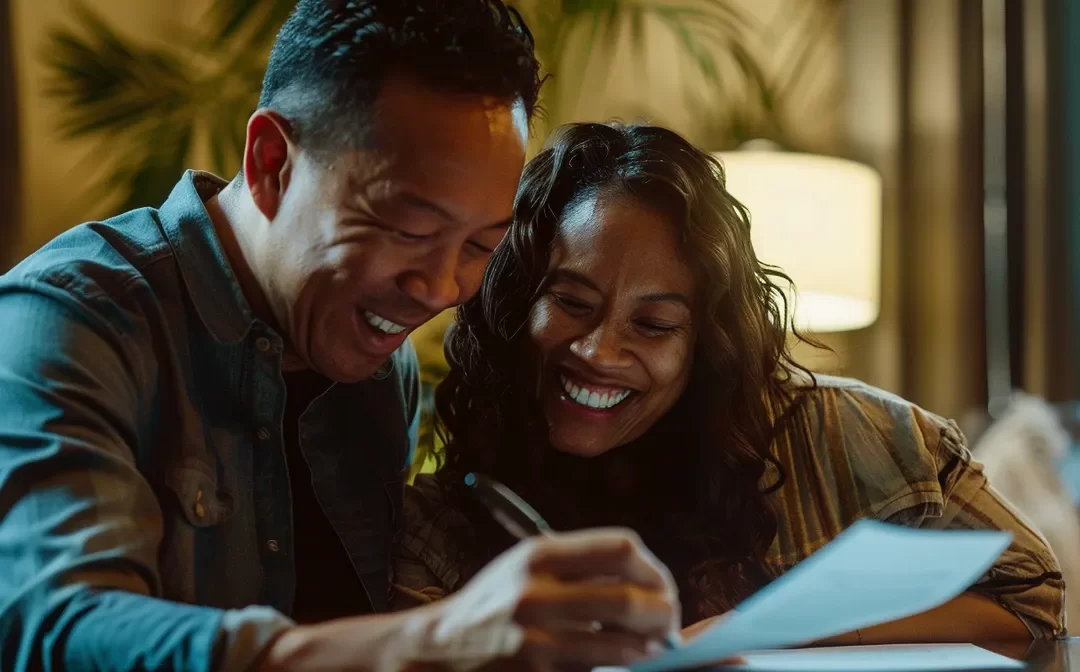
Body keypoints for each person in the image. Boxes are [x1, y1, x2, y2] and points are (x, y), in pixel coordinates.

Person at [0, 4, 682, 671]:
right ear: (272, 163)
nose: (441, 289)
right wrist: (433, 640)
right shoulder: (67, 319)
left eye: (480, 244)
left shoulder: (379, 368)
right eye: (409, 231)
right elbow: (58, 630)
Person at [393, 122, 1066, 644]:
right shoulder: (437, 525)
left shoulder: (851, 438)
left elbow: (1031, 597)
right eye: (571, 303)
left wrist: (789, 631)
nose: (600, 350)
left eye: (654, 323)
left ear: (703, 344)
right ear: (513, 305)